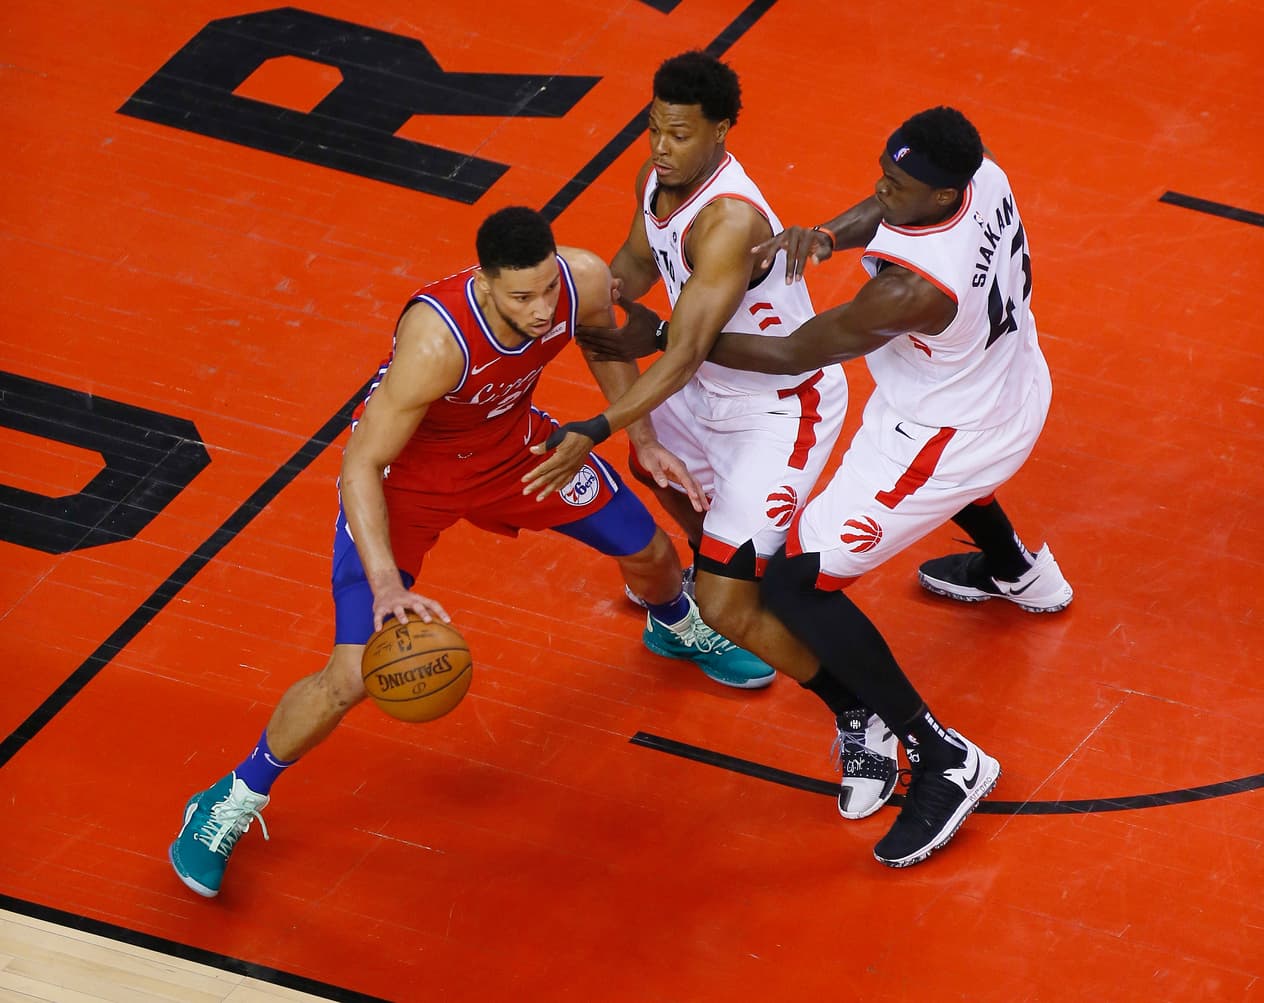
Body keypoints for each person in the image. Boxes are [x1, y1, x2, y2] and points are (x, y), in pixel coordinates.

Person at [168, 206, 776, 899]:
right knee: (352, 675)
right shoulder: (437, 341)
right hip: (408, 485)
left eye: (546, 289)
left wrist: (641, 438)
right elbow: (361, 463)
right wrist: (386, 585)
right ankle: (231, 796)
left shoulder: (580, 279)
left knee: (651, 552)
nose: (541, 308)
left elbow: (602, 343)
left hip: (516, 454)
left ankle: (671, 624)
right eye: (521, 297)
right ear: (484, 284)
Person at [579, 107, 1072, 867]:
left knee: (793, 585)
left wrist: (670, 338)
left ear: (943, 195)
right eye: (885, 169)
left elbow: (795, 351)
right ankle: (1014, 568)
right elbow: (888, 205)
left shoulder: (913, 291)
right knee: (801, 548)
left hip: (941, 440)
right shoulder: (981, 174)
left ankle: (944, 758)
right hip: (1009, 379)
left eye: (897, 183)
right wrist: (828, 235)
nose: (881, 186)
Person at [522, 51, 850, 727]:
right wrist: (572, 303)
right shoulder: (656, 179)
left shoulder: (728, 221)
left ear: (721, 130)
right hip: (702, 383)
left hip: (778, 406)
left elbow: (680, 353)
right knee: (655, 463)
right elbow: (634, 268)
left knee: (735, 603)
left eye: (679, 134)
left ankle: (855, 705)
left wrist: (597, 427)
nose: (660, 148)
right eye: (654, 129)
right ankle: (719, 561)